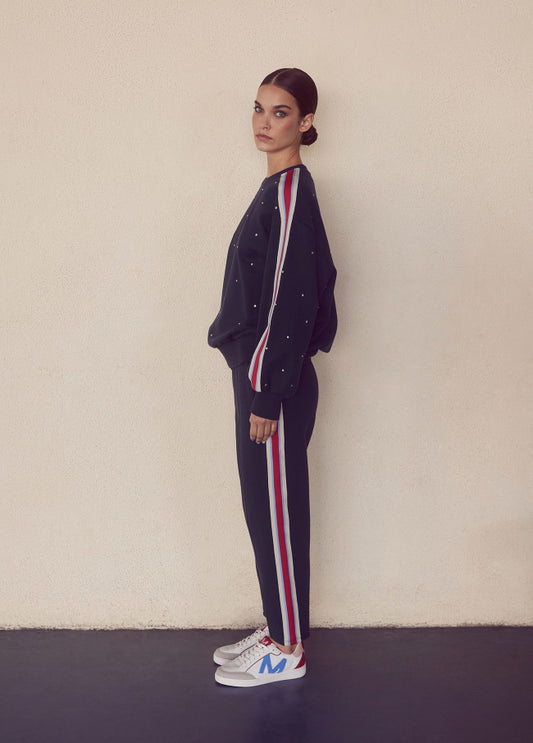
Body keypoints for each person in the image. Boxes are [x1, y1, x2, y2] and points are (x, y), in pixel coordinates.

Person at [207, 68, 337, 687]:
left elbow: (292, 301)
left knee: (278, 514)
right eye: (258, 109)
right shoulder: (275, 191)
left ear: (305, 122)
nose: (264, 122)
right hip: (262, 378)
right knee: (263, 509)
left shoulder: (291, 194)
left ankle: (288, 650)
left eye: (280, 112)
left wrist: (266, 391)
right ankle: (278, 625)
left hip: (273, 387)